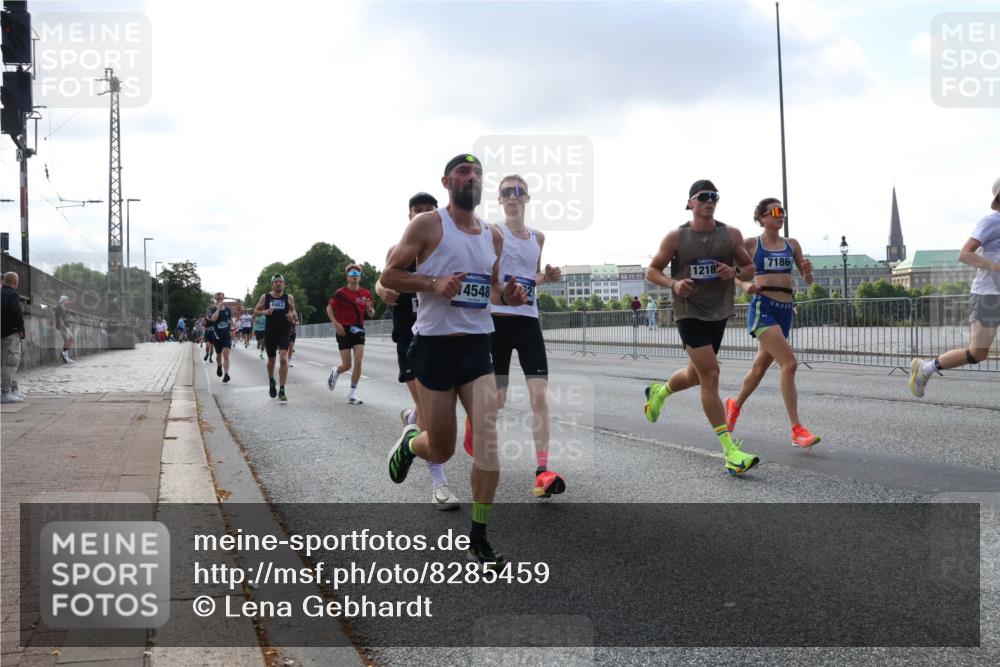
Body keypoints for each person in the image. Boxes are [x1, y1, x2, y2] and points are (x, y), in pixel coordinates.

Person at [381, 153, 528, 566]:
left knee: (488, 441)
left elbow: (494, 289)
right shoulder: (428, 225)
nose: (472, 177)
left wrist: (510, 295)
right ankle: (412, 442)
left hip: (477, 348)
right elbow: (390, 276)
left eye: (478, 172)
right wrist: (432, 282)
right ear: (447, 182)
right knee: (442, 449)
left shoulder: (493, 236)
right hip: (434, 347)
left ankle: (479, 536)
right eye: (463, 171)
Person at [643, 179, 760, 475]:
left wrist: (732, 271)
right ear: (690, 203)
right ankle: (730, 451)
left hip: (718, 312)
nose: (710, 201)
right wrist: (674, 283)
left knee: (695, 375)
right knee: (710, 373)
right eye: (703, 197)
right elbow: (652, 270)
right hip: (688, 312)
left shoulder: (730, 234)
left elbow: (749, 268)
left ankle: (660, 392)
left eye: (714, 197)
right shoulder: (676, 238)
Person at [463, 175, 566, 499]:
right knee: (500, 400)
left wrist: (544, 278)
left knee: (539, 397)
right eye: (507, 192)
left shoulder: (538, 236)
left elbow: (530, 277)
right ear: (499, 199)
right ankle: (472, 420)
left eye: (518, 192)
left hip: (529, 322)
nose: (513, 197)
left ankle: (541, 472)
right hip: (498, 323)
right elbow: (487, 274)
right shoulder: (493, 233)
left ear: (527, 198)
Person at [375, 190, 460, 510]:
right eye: (418, 211)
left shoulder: (446, 251)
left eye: (430, 210)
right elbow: (384, 279)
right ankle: (440, 485)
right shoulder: (399, 250)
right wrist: (382, 289)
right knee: (430, 416)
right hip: (407, 338)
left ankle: (411, 418)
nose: (424, 215)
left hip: (439, 337)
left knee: (430, 412)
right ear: (410, 217)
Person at [726, 198, 821, 447]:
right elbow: (730, 271)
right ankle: (796, 430)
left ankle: (734, 406)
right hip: (763, 308)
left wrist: (808, 271)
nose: (781, 215)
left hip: (785, 310)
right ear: (762, 218)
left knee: (759, 369)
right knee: (789, 364)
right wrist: (744, 283)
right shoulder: (751, 244)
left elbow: (808, 280)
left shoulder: (792, 245)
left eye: (783, 211)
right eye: (776, 211)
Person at [910, 177, 1000, 395]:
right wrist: (995, 266)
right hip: (988, 295)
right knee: (977, 354)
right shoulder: (992, 221)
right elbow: (965, 253)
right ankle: (925, 368)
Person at [326, 264, 375, 404]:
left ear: (360, 276)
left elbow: (371, 313)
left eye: (357, 273)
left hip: (358, 329)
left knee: (358, 361)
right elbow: (329, 309)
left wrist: (369, 309)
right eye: (352, 273)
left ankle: (352, 393)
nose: (354, 275)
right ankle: (336, 371)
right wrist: (336, 324)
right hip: (343, 329)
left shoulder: (366, 293)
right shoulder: (340, 293)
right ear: (347, 276)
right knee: (347, 365)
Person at [253, 274, 298, 401]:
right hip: (270, 332)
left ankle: (282, 390)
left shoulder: (288, 297)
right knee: (271, 360)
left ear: (284, 284)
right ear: (272, 284)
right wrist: (265, 312)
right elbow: (256, 311)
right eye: (276, 281)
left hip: (284, 331)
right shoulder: (265, 297)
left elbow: (293, 310)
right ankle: (272, 380)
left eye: (281, 281)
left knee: (283, 359)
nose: (278, 283)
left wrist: (292, 316)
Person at [1, 272, 26, 403]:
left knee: (4, 363)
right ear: (15, 282)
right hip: (10, 332)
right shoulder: (12, 294)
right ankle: (6, 392)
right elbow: (17, 312)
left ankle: (13, 389)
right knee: (10, 362)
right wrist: (21, 329)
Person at [207, 293, 233, 383]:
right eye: (218, 298)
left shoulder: (228, 310)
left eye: (221, 298)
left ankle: (226, 374)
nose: (219, 300)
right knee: (218, 355)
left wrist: (232, 329)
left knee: (225, 355)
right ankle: (219, 365)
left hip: (226, 336)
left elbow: (229, 321)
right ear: (215, 299)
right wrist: (218, 308)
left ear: (223, 298)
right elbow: (213, 319)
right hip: (217, 336)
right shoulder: (212, 310)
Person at [54, 295, 76, 362]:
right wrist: (64, 327)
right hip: (63, 327)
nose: (68, 301)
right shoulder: (59, 308)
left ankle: (65, 354)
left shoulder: (62, 308)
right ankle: (65, 354)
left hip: (65, 326)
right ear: (63, 300)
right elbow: (60, 319)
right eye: (67, 300)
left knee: (70, 339)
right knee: (69, 339)